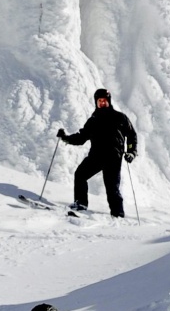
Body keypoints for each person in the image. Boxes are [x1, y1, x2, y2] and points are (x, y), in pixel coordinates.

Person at [57, 87, 137, 217]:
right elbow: (81, 138)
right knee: (80, 175)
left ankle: (118, 214)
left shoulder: (120, 117)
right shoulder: (93, 120)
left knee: (112, 188)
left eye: (104, 100)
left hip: (113, 158)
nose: (102, 103)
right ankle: (81, 203)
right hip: (96, 156)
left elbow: (132, 135)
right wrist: (65, 138)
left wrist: (131, 152)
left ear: (109, 101)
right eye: (99, 101)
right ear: (96, 102)